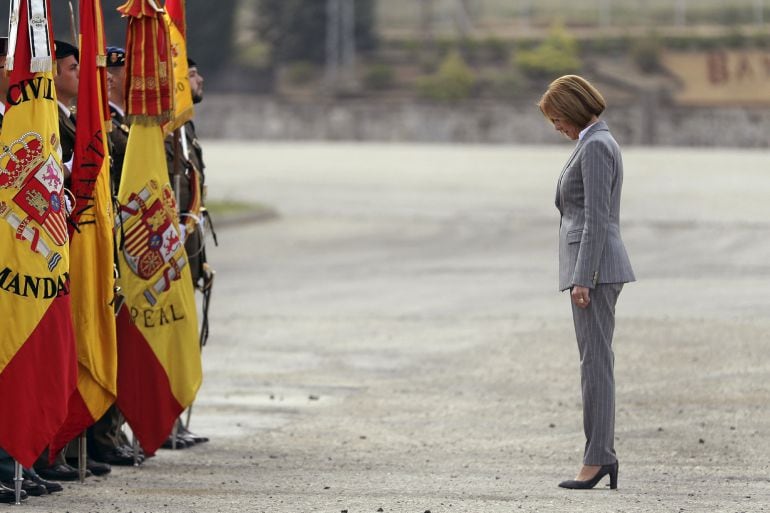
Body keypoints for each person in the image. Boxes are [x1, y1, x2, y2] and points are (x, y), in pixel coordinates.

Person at [537, 75, 635, 490]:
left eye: (558, 119)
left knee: (595, 366)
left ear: (575, 110)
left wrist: (583, 278)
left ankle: (597, 459)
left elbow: (596, 218)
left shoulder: (595, 146)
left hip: (594, 271)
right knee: (595, 364)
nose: (557, 128)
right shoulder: (594, 142)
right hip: (594, 268)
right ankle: (600, 456)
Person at [162, 57, 211, 449]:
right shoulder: (161, 131)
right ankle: (158, 421)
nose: (199, 80)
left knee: (182, 338)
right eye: (191, 75)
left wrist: (200, 256)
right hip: (162, 253)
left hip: (187, 248)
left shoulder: (185, 129)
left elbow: (194, 193)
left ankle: (174, 421)